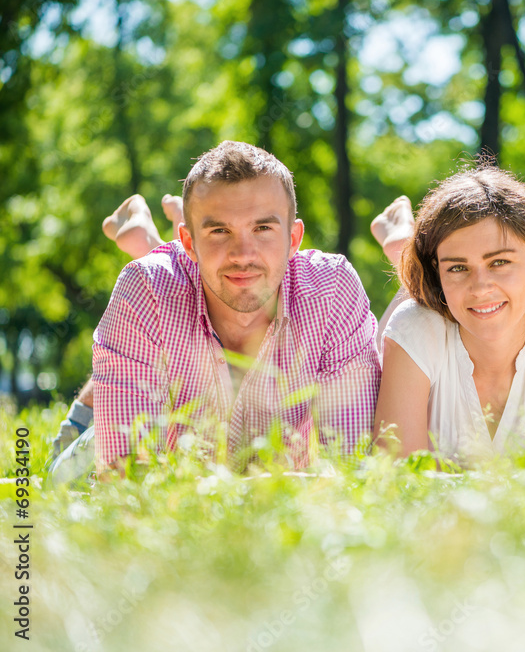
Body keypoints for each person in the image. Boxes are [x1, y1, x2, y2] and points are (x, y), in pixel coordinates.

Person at [48, 141, 381, 482]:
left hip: (186, 291)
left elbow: (351, 466)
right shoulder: (146, 287)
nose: (242, 253)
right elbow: (126, 478)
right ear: (189, 243)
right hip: (116, 456)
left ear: (294, 238)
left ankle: (149, 242)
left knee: (187, 289)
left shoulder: (332, 289)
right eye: (220, 231)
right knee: (59, 479)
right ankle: (152, 246)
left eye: (262, 228)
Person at [372, 164, 525, 465]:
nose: (480, 287)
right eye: (457, 267)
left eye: (499, 262)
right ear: (439, 273)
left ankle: (405, 247)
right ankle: (403, 247)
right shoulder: (413, 328)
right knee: (414, 294)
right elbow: (397, 477)